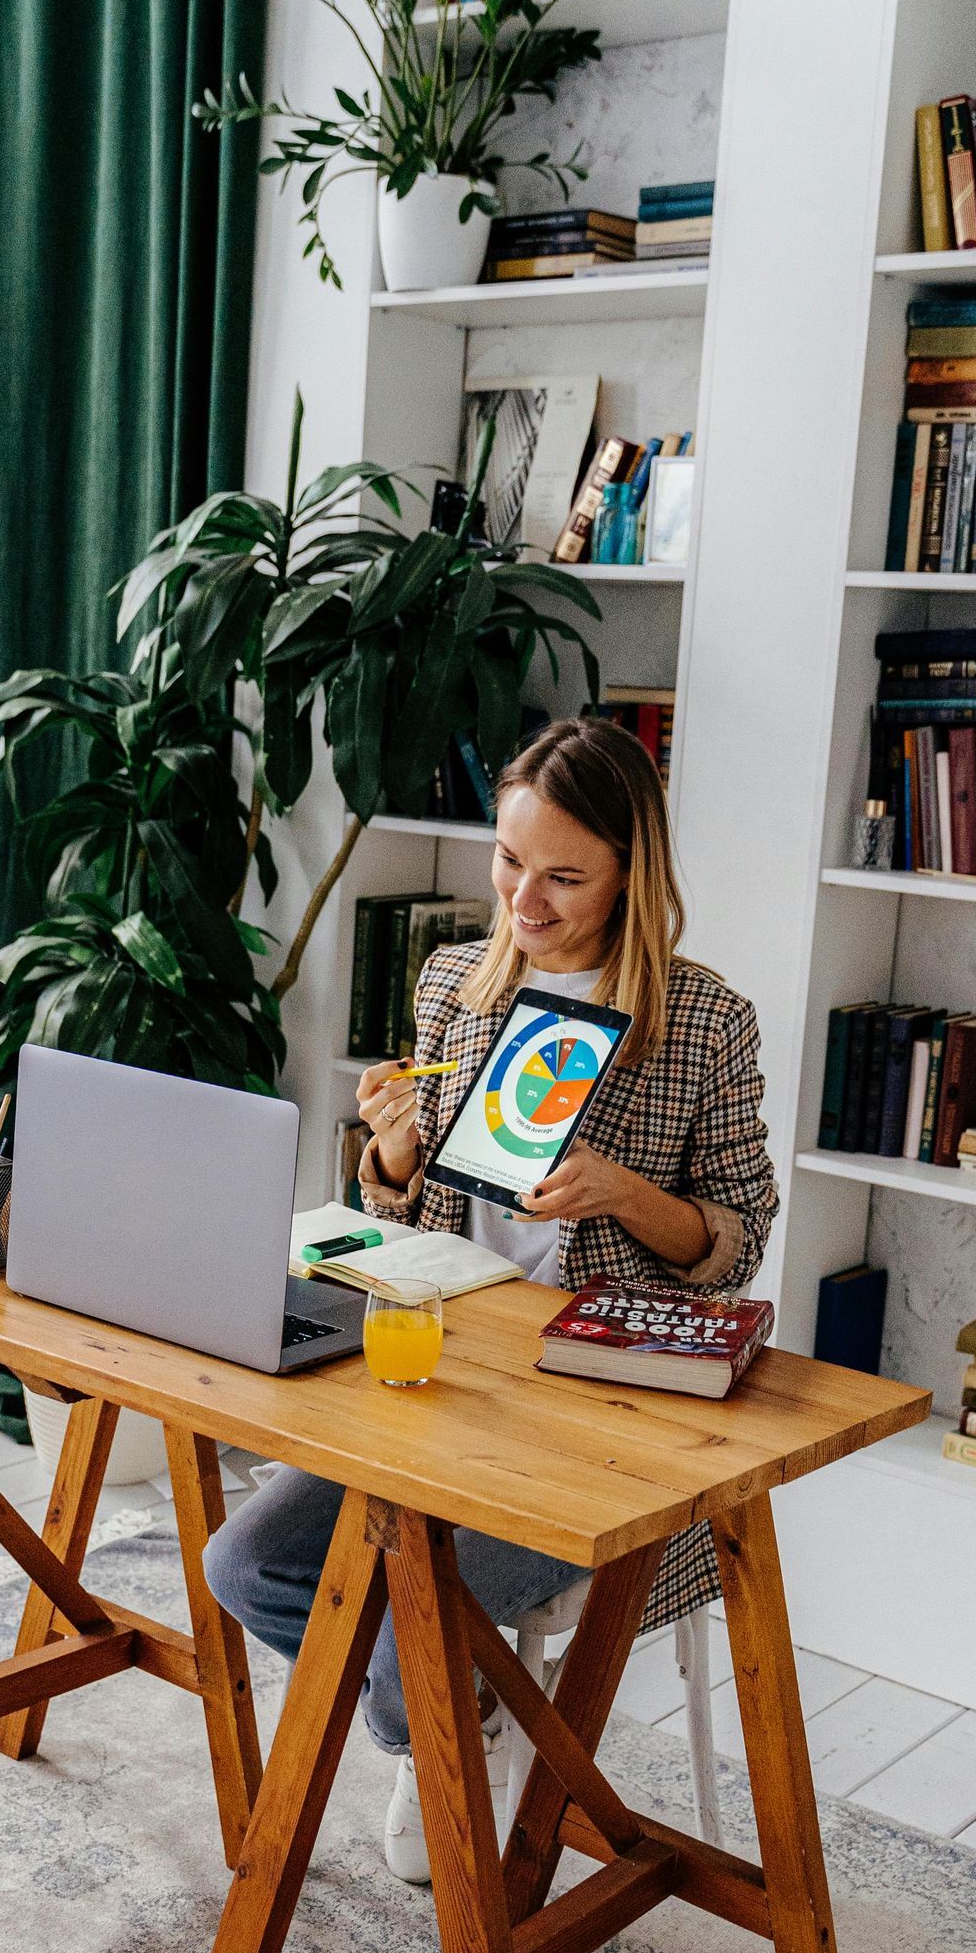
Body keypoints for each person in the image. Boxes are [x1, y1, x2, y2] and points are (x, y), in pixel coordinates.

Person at [205, 715, 778, 1883]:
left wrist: (625, 1196)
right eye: (510, 861)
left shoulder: (707, 1023)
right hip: (440, 1376)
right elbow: (411, 1228)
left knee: (403, 1605)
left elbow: (739, 1246)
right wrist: (396, 1156)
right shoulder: (455, 984)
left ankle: (433, 1718)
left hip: (605, 1416)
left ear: (631, 874)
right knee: (245, 1567)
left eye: (565, 876)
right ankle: (457, 1716)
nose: (525, 898)